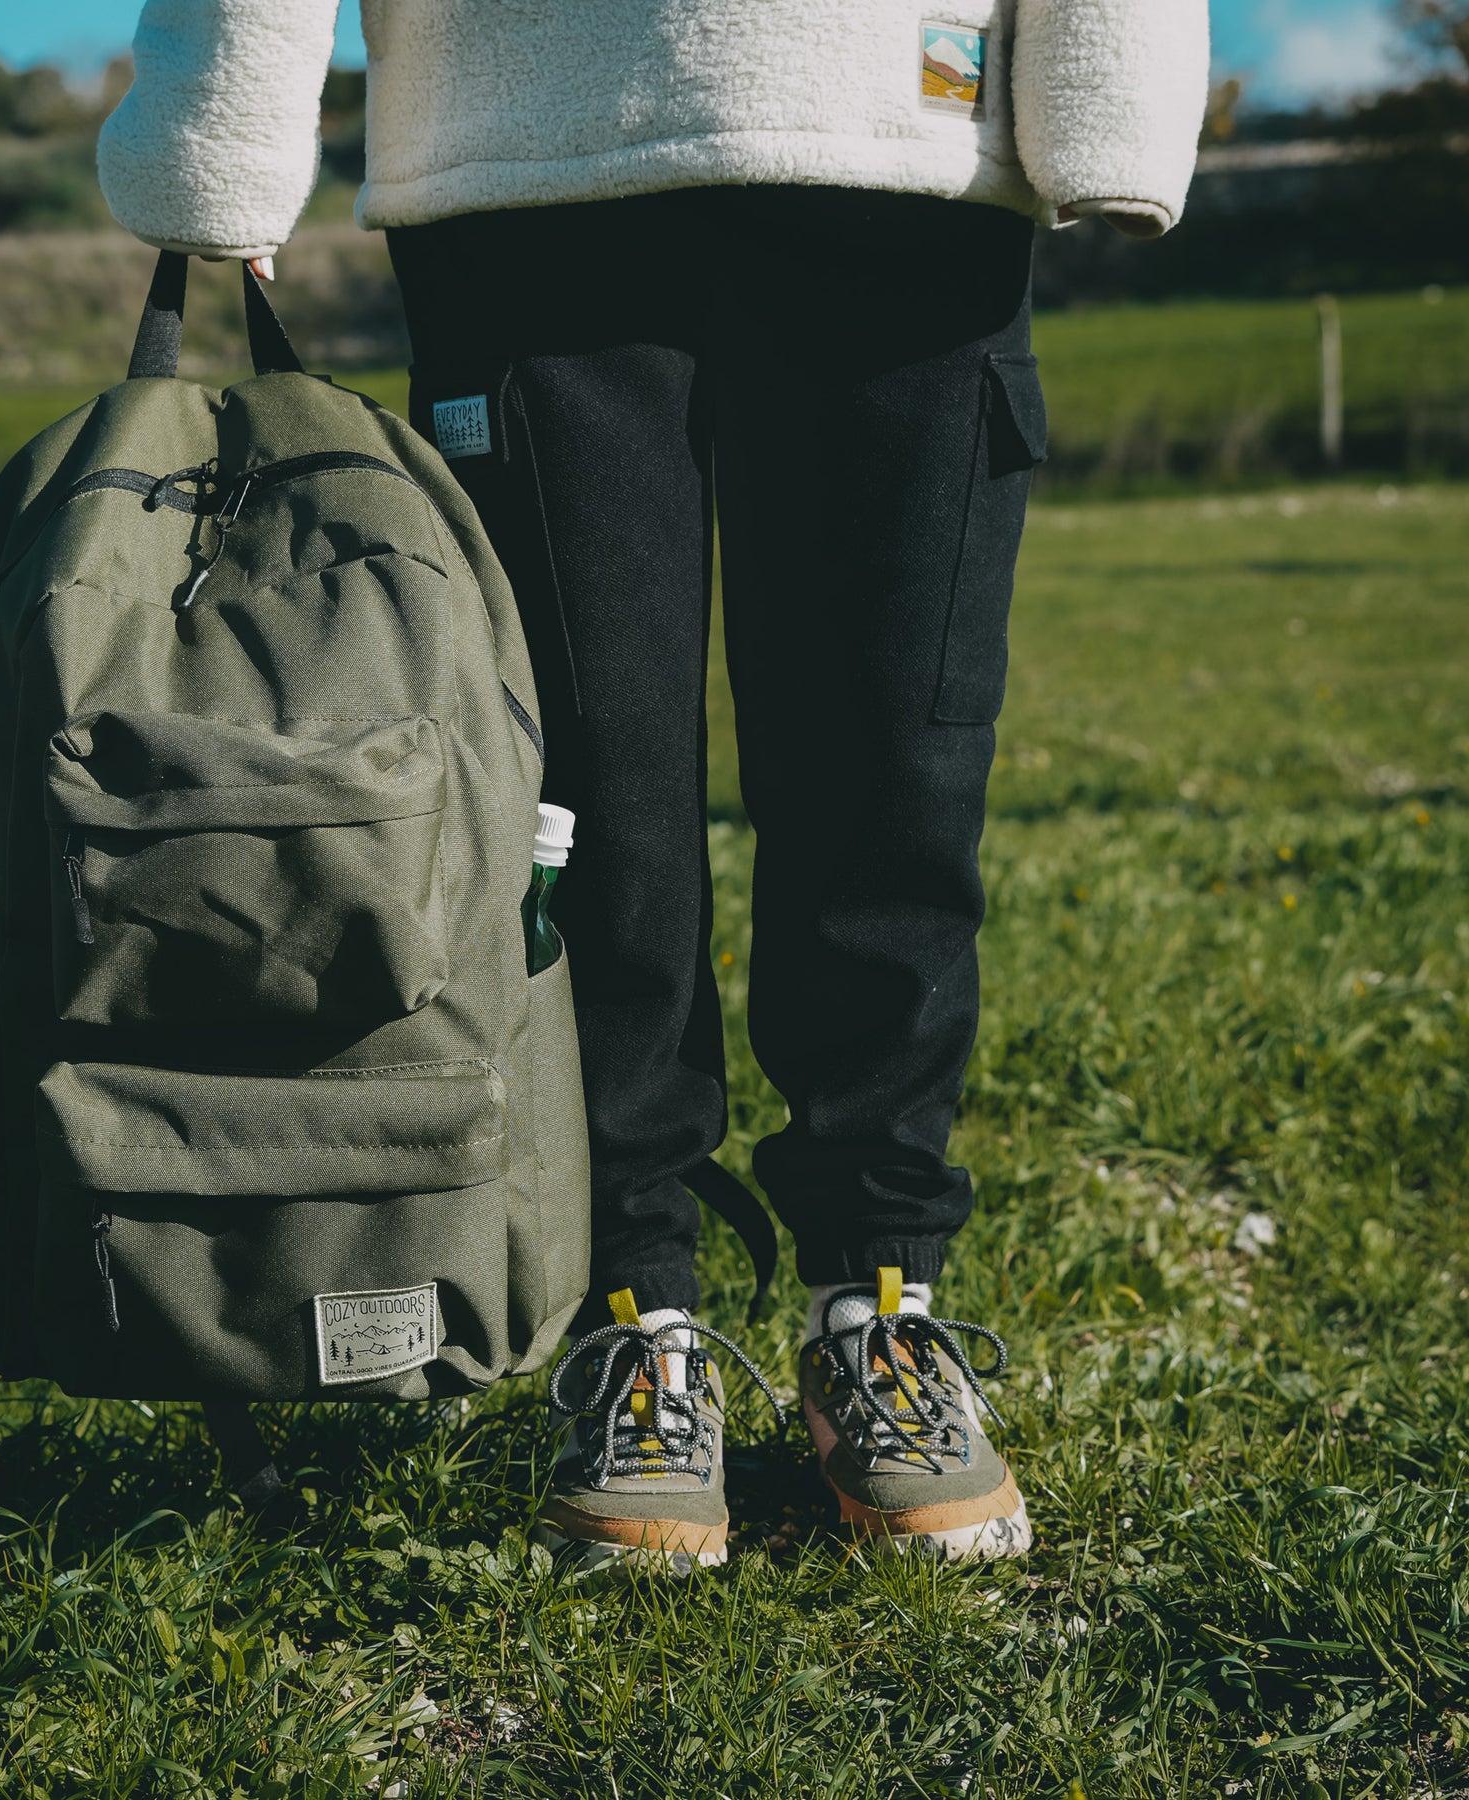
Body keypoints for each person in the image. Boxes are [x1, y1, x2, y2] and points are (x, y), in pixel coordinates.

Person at [98, 0, 1207, 1566]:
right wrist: (224, 127)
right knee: (585, 806)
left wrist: (1115, 97)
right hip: (534, 155)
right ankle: (637, 1321)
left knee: (896, 773)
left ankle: (881, 1303)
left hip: (909, 142)